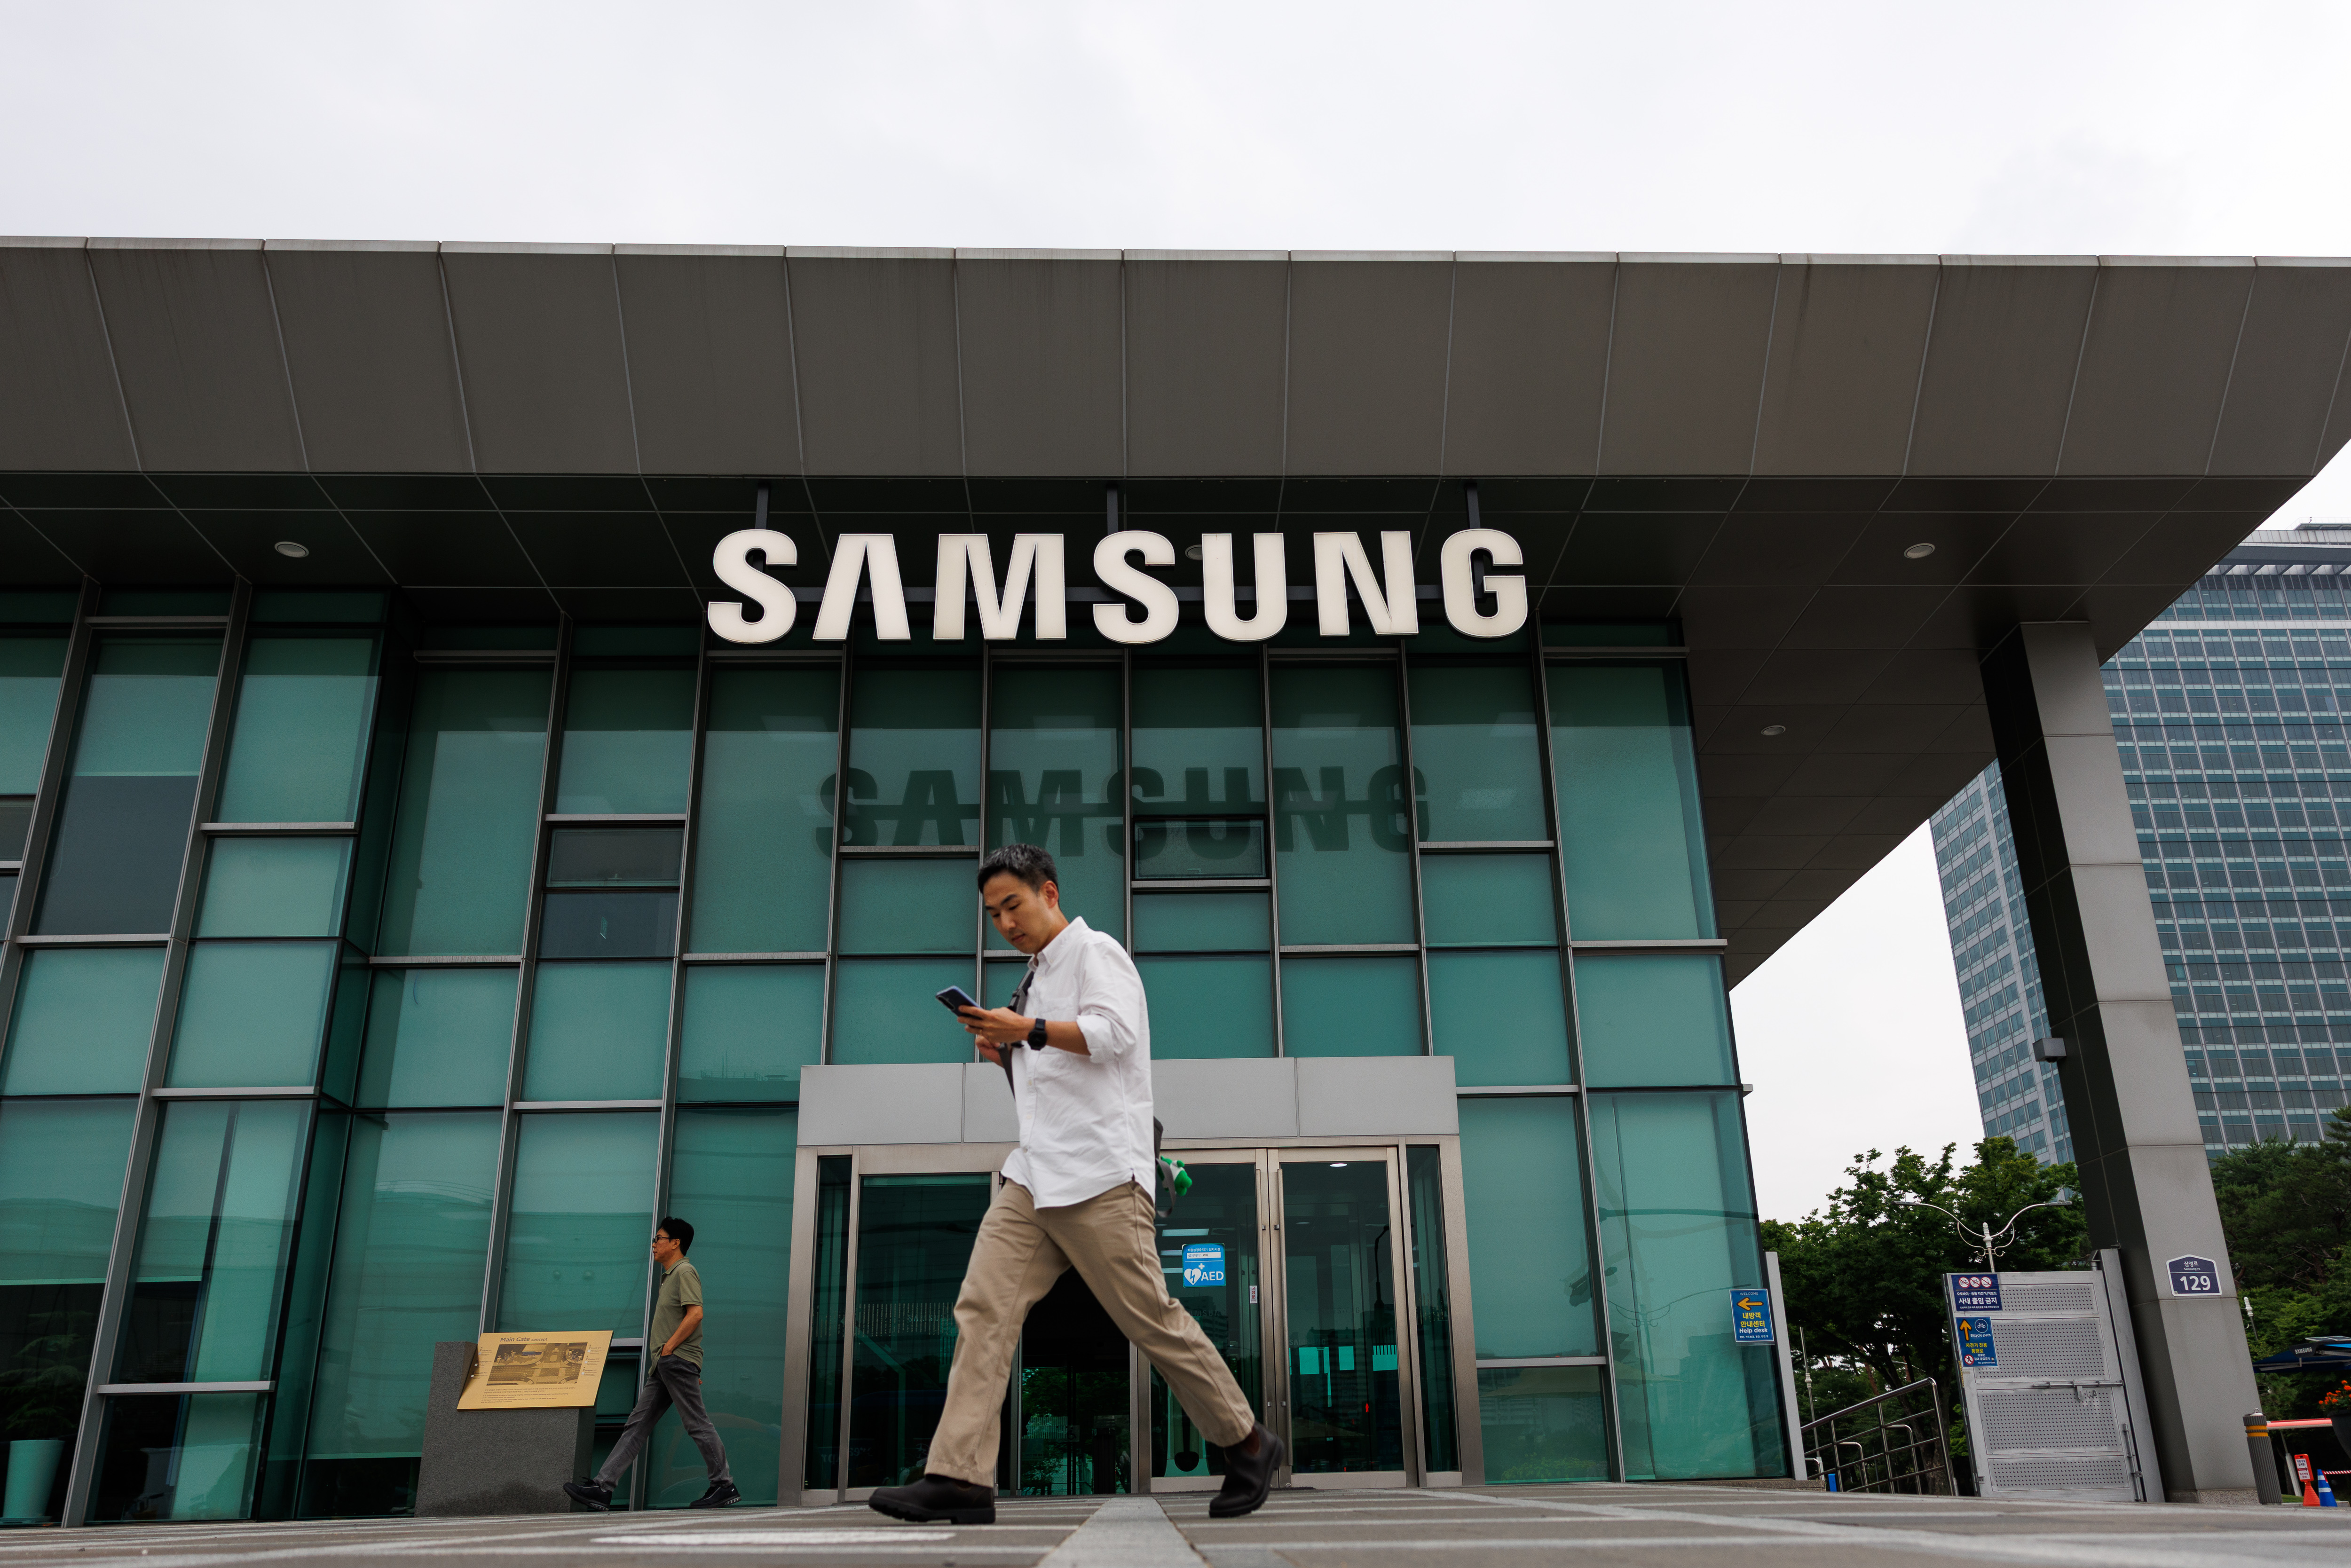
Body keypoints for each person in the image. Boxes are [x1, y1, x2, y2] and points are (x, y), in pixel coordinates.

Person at [869, 844, 1282, 1526]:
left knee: (1148, 1316)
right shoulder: (1030, 982)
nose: (1005, 921)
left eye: (1015, 904)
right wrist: (1006, 1049)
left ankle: (1247, 1440)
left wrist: (1025, 1029)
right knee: (983, 1309)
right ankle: (961, 1477)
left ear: (1050, 893)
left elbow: (1115, 1035)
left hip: (1099, 1173)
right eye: (993, 913)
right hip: (1035, 1174)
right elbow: (1045, 1089)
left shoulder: (1096, 952)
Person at [562, 1217, 739, 1510]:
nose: (654, 1244)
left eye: (659, 1238)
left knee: (696, 1423)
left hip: (674, 1360)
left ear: (675, 1243)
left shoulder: (685, 1271)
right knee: (637, 1425)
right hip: (666, 1365)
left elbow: (695, 1314)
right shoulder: (670, 1276)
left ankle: (723, 1484)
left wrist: (671, 1350)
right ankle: (603, 1488)